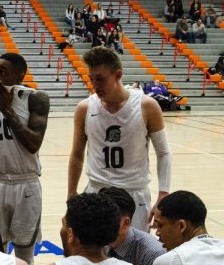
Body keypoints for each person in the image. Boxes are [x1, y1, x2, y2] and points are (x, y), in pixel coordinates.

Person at [68, 47, 171, 233]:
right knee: (93, 257)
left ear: (117, 75)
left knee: (133, 257)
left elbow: (163, 152)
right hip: (97, 192)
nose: (94, 85)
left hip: (134, 193)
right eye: (91, 79)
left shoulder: (147, 106)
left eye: (100, 79)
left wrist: (163, 192)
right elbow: (76, 155)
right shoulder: (84, 108)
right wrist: (71, 193)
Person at [0, 53, 50, 265]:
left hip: (25, 185)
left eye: (3, 71)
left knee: (24, 257)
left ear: (20, 75)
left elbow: (33, 143)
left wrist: (8, 110)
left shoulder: (36, 98)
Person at [100, 186, 165, 265]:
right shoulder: (91, 240)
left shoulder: (153, 255)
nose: (99, 224)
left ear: (125, 223)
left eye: (106, 220)